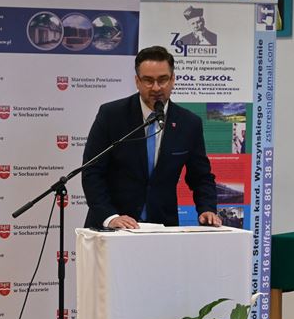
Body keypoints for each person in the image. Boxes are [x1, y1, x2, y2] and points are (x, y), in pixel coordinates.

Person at [82, 46, 221, 229]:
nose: (156, 88)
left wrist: (207, 209)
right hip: (112, 226)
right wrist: (110, 217)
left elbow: (201, 176)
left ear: (173, 79)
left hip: (162, 227)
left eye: (163, 79)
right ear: (137, 81)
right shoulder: (111, 115)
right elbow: (92, 171)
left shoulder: (189, 123)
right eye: (148, 80)